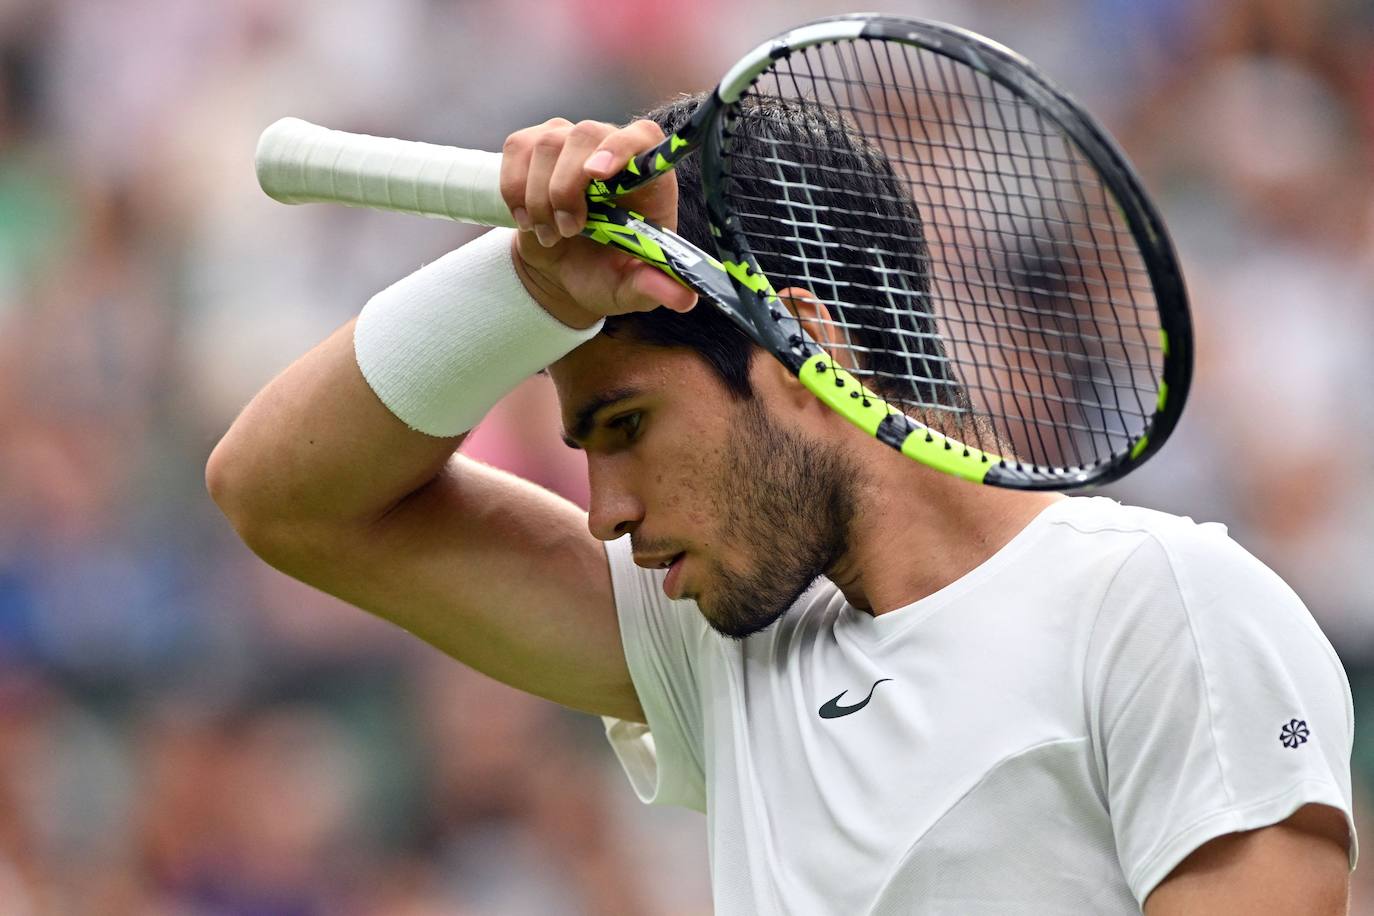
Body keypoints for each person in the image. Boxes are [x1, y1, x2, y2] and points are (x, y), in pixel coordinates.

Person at [207, 94, 1357, 914]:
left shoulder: (1165, 606)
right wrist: (526, 286)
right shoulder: (719, 643)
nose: (602, 510)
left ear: (802, 348)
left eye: (628, 428)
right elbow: (281, 496)